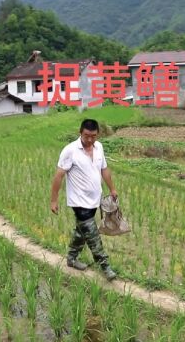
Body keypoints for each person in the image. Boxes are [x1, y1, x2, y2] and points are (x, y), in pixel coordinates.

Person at [50, 119, 118, 281]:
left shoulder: (99, 147)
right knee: (92, 235)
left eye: (93, 136)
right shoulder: (70, 150)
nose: (89, 139)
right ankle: (105, 266)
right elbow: (59, 176)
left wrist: (112, 188)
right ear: (80, 132)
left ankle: (71, 258)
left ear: (98, 135)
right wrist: (54, 200)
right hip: (78, 202)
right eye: (86, 136)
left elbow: (104, 169)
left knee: (81, 232)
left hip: (94, 200)